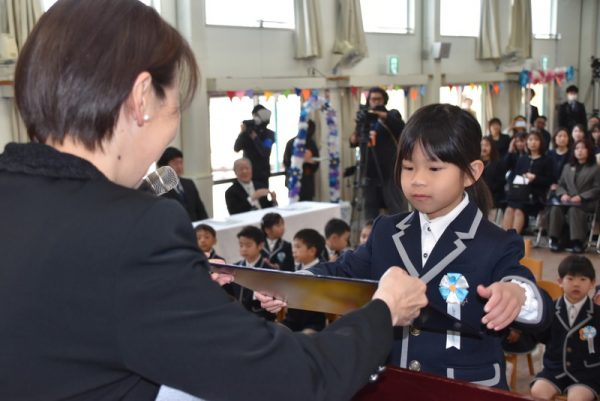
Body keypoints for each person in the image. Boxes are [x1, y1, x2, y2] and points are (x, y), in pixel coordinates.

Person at [0, 1, 430, 400]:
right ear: (142, 97)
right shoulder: (134, 230)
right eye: (177, 107)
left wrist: (181, 292)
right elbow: (293, 380)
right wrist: (384, 310)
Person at [261, 104, 552, 389]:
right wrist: (289, 285)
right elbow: (343, 271)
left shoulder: (496, 242)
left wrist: (516, 294)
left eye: (434, 168)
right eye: (408, 167)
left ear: (471, 172)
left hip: (463, 390)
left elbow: (537, 306)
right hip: (393, 386)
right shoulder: (386, 231)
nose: (418, 180)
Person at [530, 255, 600, 401]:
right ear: (560, 282)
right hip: (554, 370)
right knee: (537, 391)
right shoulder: (550, 309)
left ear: (592, 283)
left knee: (577, 398)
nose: (576, 284)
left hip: (586, 373)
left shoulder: (597, 313)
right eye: (570, 279)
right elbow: (538, 335)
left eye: (583, 279)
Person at [350, 87, 407, 220]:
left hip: (389, 171)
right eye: (372, 99)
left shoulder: (392, 115)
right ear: (368, 101)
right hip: (369, 172)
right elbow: (353, 141)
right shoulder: (366, 119)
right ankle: (370, 231)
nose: (375, 102)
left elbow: (401, 127)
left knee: (396, 209)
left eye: (378, 99)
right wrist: (360, 124)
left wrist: (379, 115)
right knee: (370, 212)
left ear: (384, 100)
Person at [548, 140, 600, 253]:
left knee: (574, 210)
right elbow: (560, 184)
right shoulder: (567, 167)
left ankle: (577, 242)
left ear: (589, 150)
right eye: (577, 148)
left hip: (586, 202)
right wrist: (563, 194)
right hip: (568, 200)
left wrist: (581, 197)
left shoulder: (595, 168)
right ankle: (554, 239)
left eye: (583, 148)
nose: (579, 151)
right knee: (556, 208)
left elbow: (597, 188)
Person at [503, 131, 553, 234]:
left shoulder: (547, 160)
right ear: (527, 142)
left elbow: (550, 180)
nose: (533, 142)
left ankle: (513, 239)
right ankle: (504, 239)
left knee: (518, 210)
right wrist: (523, 177)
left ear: (541, 142)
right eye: (530, 140)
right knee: (509, 209)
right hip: (520, 193)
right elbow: (515, 176)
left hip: (536, 196)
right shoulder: (523, 159)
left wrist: (535, 178)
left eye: (536, 140)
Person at [282, 228, 328, 334]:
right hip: (292, 319)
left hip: (313, 321)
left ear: (312, 251)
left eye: (298, 247)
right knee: (275, 330)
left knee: (306, 335)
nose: (293, 250)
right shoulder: (297, 268)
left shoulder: (322, 270)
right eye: (293, 247)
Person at [231, 225, 278, 321]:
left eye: (248, 245)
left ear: (260, 245)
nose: (244, 249)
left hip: (262, 318)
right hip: (238, 316)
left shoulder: (269, 271)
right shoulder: (234, 268)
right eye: (241, 245)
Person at [157, 146, 209, 221]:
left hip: (196, 226)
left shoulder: (189, 183)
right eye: (175, 163)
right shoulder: (159, 188)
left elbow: (201, 211)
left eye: (181, 162)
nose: (179, 167)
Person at [234, 104, 275, 187]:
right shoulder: (247, 133)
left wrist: (255, 137)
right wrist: (242, 133)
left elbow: (265, 152)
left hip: (262, 175)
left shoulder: (269, 134)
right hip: (247, 175)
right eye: (254, 116)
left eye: (257, 116)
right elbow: (236, 148)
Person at [283, 119, 319, 201]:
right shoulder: (291, 143)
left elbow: (316, 162)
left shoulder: (311, 143)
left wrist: (311, 160)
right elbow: (286, 163)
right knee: (294, 204)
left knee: (308, 204)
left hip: (307, 182)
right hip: (294, 180)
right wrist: (299, 160)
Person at [481, 136, 506, 212]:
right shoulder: (476, 163)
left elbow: (500, 183)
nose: (483, 148)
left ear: (492, 147)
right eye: (481, 145)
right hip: (478, 196)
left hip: (493, 197)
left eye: (487, 145)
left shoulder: (498, 163)